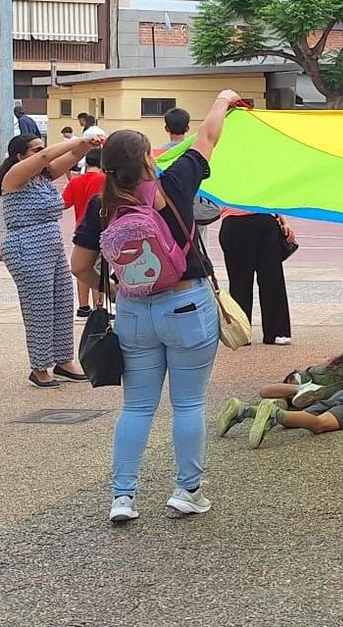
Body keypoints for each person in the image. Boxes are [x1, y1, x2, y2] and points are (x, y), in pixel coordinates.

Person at [68, 90, 238, 524]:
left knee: (138, 407)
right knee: (188, 404)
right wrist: (222, 99)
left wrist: (113, 288)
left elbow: (80, 266)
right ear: (147, 160)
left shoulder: (100, 206)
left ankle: (122, 498)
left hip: (133, 312)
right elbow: (208, 136)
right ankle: (187, 491)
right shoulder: (176, 182)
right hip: (186, 304)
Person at [0, 131, 96, 388]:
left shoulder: (44, 176)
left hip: (50, 244)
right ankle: (39, 367)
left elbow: (74, 155)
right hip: (25, 246)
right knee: (39, 308)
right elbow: (46, 155)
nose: (42, 151)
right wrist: (76, 140)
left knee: (62, 302)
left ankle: (63, 359)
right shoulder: (15, 177)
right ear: (20, 156)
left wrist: (87, 144)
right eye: (35, 149)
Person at [219, 208, 296, 345]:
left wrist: (283, 220)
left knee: (246, 281)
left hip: (245, 222)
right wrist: (283, 220)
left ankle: (246, 332)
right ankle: (274, 332)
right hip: (252, 221)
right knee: (266, 279)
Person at [62, 149, 107, 317]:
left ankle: (83, 306)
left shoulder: (75, 182)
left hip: (81, 228)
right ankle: (99, 306)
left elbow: (64, 204)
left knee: (82, 268)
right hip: (101, 228)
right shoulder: (106, 180)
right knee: (98, 269)